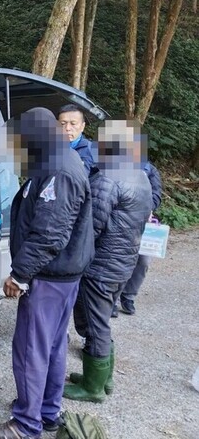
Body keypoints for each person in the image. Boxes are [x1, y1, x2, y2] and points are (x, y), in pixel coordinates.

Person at [0, 108, 94, 439]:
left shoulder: (60, 170)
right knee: (52, 346)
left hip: (49, 277)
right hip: (61, 276)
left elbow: (49, 234)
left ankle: (25, 424)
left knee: (32, 348)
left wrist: (19, 275)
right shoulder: (54, 160)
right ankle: (45, 411)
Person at [64, 120, 152, 403]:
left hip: (100, 265)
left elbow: (93, 226)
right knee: (101, 320)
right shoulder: (139, 175)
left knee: (95, 323)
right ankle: (104, 379)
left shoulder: (107, 177)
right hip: (123, 262)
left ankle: (93, 387)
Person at [115, 161, 163, 315]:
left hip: (145, 221)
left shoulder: (150, 169)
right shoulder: (114, 167)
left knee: (143, 260)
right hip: (122, 220)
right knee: (118, 259)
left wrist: (147, 208)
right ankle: (112, 299)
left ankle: (128, 296)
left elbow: (156, 195)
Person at [58, 104, 95, 175]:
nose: (67, 128)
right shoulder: (49, 148)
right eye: (63, 124)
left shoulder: (92, 151)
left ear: (82, 126)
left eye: (73, 123)